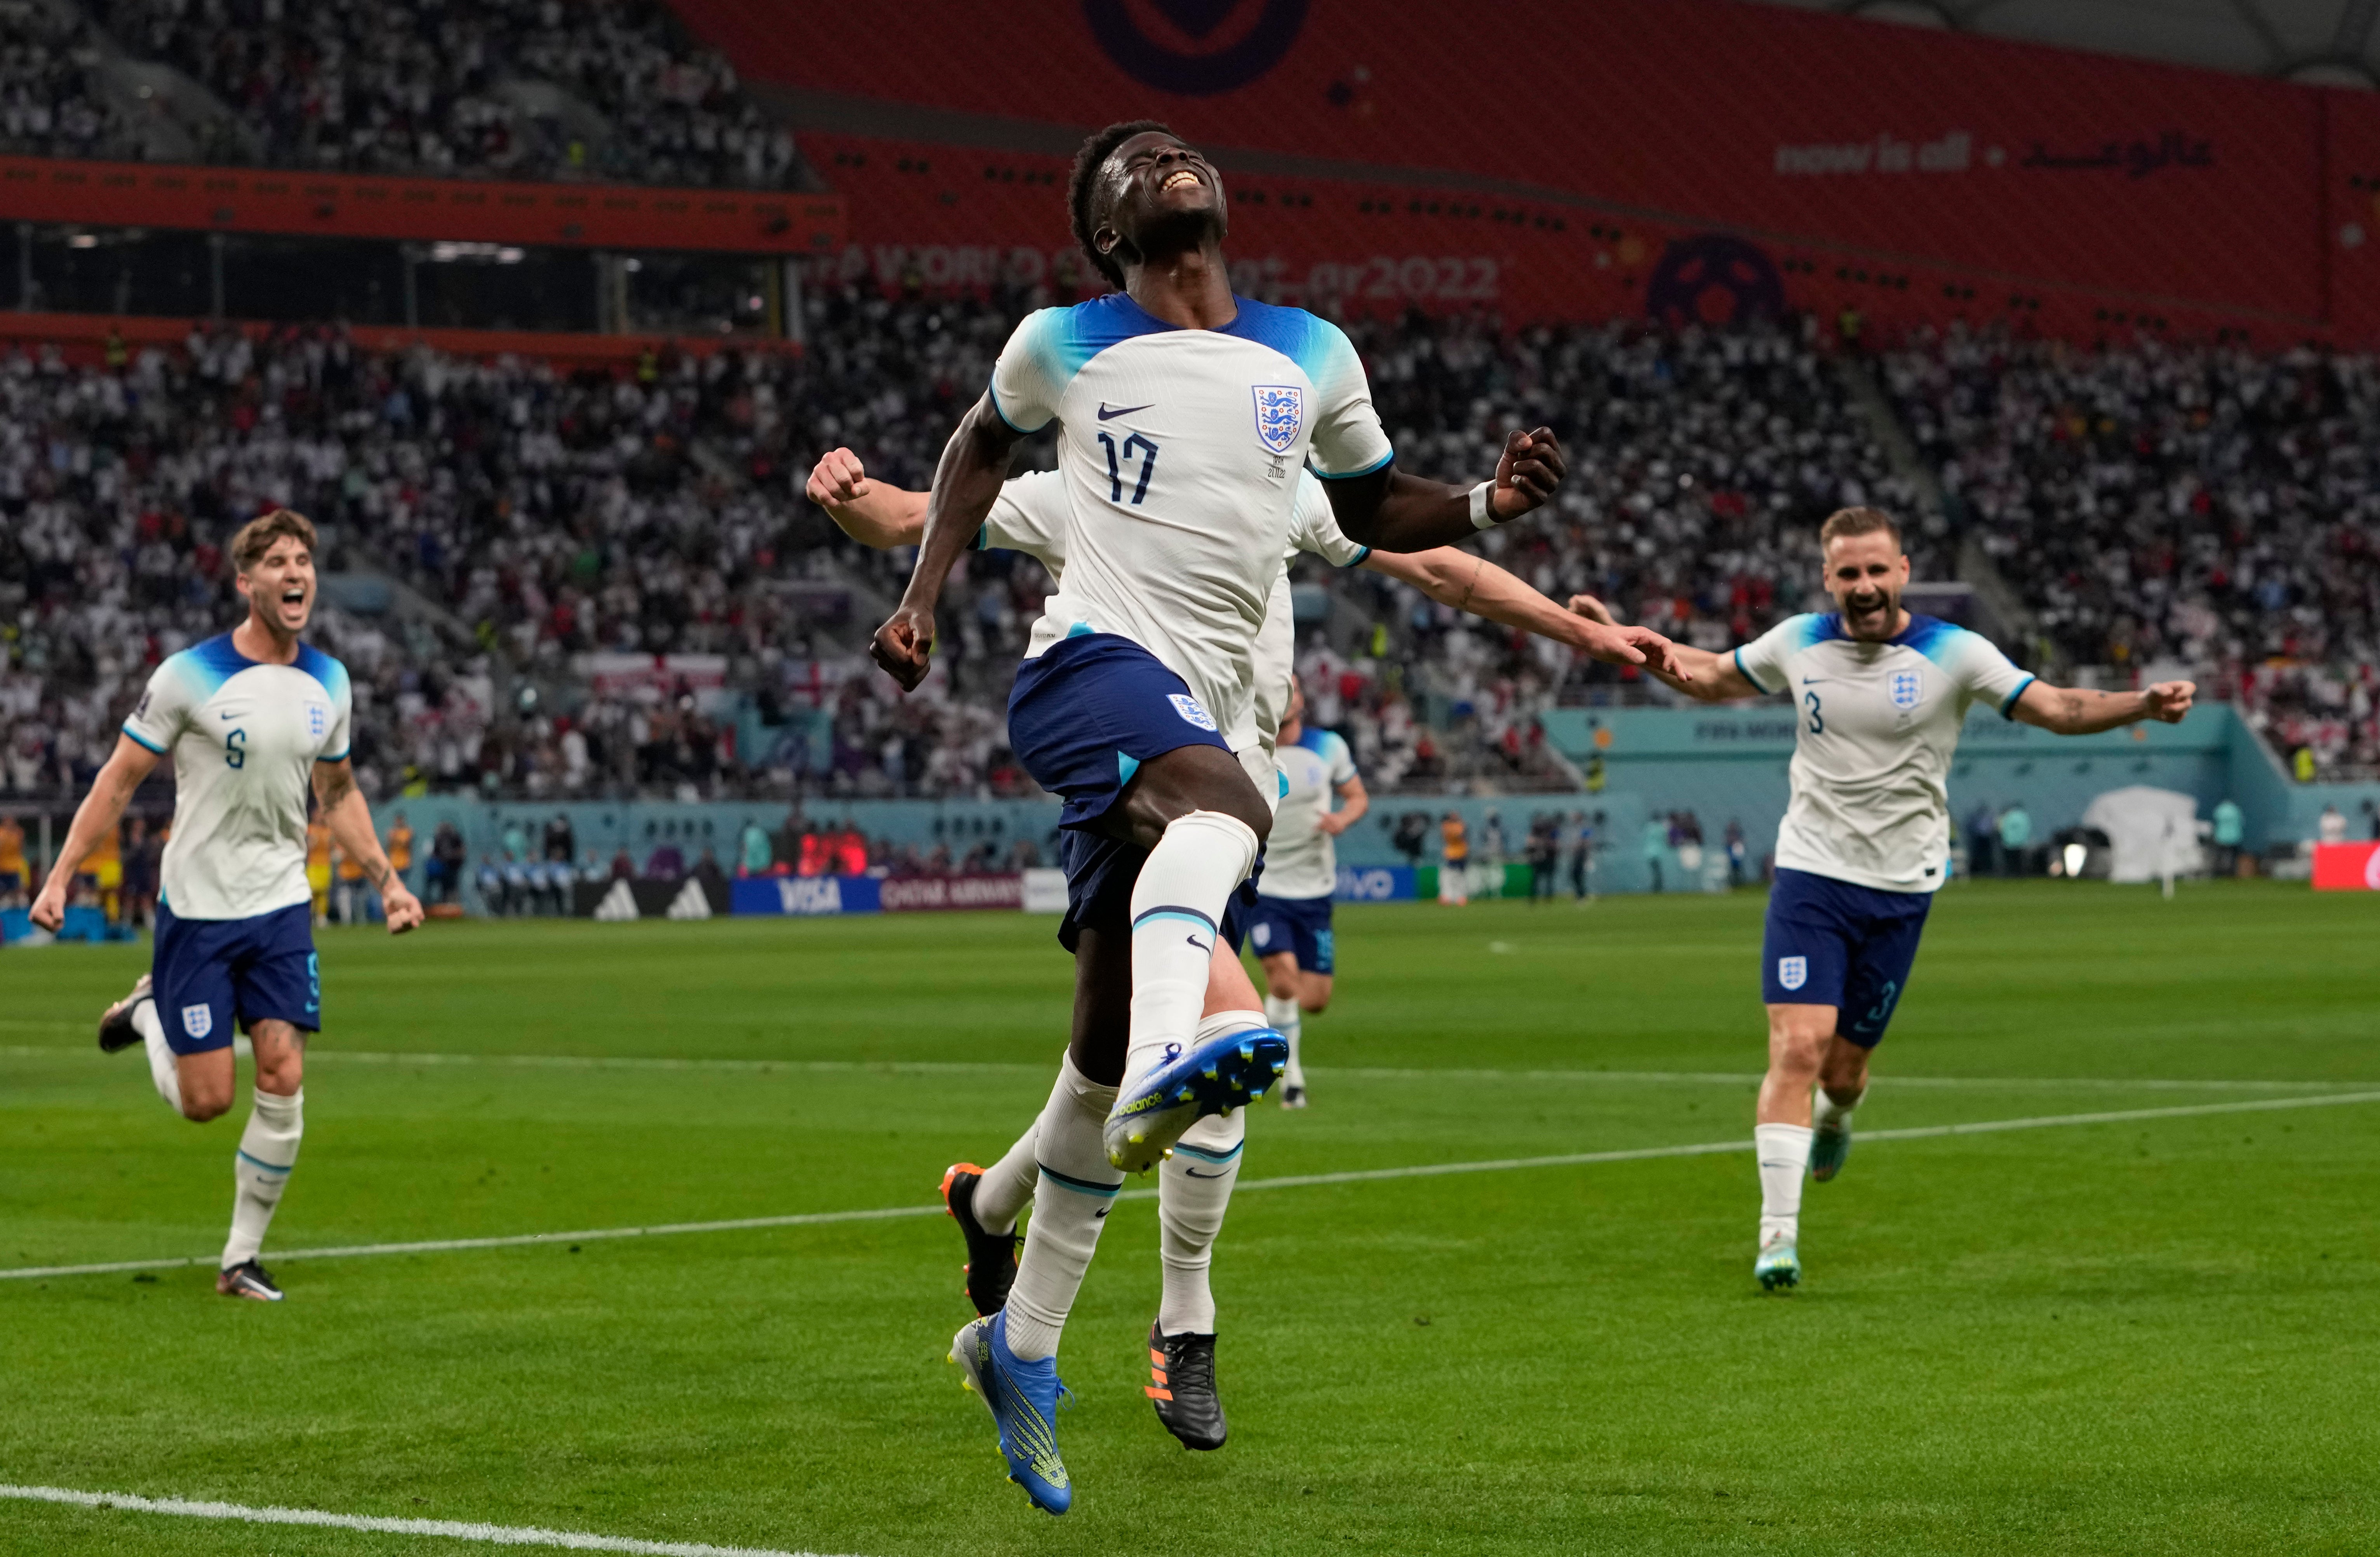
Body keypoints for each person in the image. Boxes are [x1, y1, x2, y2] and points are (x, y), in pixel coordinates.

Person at [856, 120, 1658, 1514]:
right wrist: (920, 594)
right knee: (1230, 824)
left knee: (1100, 1067)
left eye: (1180, 148)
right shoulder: (1067, 340)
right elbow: (973, 456)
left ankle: (1019, 1345)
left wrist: (1484, 498)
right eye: (1133, 162)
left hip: (1199, 727)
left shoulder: (1313, 352)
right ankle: (1189, 1142)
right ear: (1110, 229)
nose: (1167, 159)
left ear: (1222, 202)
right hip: (1091, 675)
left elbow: (1375, 507)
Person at [1573, 505, 2192, 1292]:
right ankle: (1776, 1238)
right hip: (1810, 875)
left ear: (1902, 571)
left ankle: (1837, 1120)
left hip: (1901, 888)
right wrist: (1621, 639)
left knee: (1843, 1072)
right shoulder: (1798, 641)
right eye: (1847, 573)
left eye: (1875, 570)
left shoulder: (1954, 652)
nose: (1862, 586)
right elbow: (1708, 676)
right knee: (1796, 1048)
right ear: (1827, 577)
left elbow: (2058, 708)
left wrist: (2142, 703)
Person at [31, 508, 422, 1302]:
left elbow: (338, 791)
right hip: (200, 911)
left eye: (304, 561)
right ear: (246, 583)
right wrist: (61, 875)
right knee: (207, 1101)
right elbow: (117, 781)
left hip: (280, 907)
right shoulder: (189, 675)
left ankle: (239, 1260)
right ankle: (148, 1014)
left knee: (282, 1071)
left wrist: (388, 880)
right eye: (277, 562)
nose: (295, 574)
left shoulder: (331, 682)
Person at [1249, 680, 1365, 1110]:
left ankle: (1280, 1046)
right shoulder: (1249, 745)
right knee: (1282, 977)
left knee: (1314, 999)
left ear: (1300, 702)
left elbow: (1357, 797)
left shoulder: (1328, 746)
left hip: (1315, 889)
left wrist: (1342, 819)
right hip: (1265, 885)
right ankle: (1290, 1078)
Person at [1439, 811, 1470, 905]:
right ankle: (1455, 897)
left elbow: (1459, 835)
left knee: (1455, 876)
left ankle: (1454, 897)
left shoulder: (1456, 826)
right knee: (1453, 876)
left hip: (1457, 854)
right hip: (1454, 853)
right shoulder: (1452, 826)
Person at [1997, 802, 2032, 877]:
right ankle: (2021, 874)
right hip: (2021, 842)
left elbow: (2002, 828)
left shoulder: (2007, 816)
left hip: (2009, 842)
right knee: (2020, 860)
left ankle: (2010, 874)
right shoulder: (2023, 816)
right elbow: (2027, 829)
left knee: (2010, 861)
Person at [1965, 799, 1998, 879]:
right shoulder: (1978, 817)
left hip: (1987, 838)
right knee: (1978, 855)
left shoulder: (1986, 817)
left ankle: (1988, 871)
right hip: (1979, 838)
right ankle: (1978, 871)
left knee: (1987, 855)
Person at [2211, 797, 2244, 877]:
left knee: (2219, 856)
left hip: (2221, 836)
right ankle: (2232, 872)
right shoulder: (2236, 810)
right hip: (2234, 837)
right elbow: (2241, 821)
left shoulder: (2220, 809)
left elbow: (2216, 819)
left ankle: (2217, 872)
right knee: (2233, 857)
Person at [1642, 814, 1671, 893]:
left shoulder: (1649, 828)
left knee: (1655, 872)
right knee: (1658, 873)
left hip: (1649, 853)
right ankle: (1657, 889)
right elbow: (1667, 838)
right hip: (1658, 854)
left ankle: (1655, 888)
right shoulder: (1662, 828)